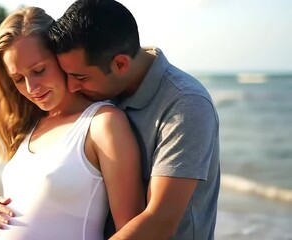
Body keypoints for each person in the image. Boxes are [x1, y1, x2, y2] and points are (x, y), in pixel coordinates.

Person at [47, 0, 221, 239]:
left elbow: (160, 221)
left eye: (80, 77)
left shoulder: (186, 104)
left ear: (120, 64)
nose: (71, 86)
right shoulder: (99, 90)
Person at [0, 6, 144, 240]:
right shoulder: (32, 125)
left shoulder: (102, 124)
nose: (31, 88)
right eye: (18, 79)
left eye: (39, 70)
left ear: (60, 57)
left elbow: (133, 229)